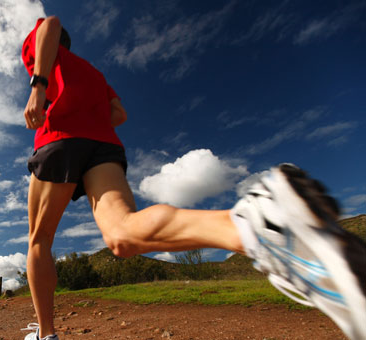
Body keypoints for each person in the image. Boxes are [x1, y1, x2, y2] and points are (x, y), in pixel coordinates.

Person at [20, 16, 366, 340]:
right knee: (122, 234)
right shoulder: (95, 73)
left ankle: (46, 334)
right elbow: (118, 114)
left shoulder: (44, 51)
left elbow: (50, 23)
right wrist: (90, 116)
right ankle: (256, 226)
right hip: (104, 146)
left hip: (60, 134)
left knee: (40, 240)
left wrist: (39, 84)